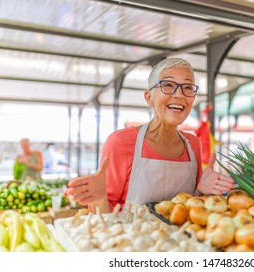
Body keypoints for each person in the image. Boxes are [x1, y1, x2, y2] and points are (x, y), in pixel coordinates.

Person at [66, 57, 235, 213]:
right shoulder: (121, 142)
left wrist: (201, 191)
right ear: (149, 98)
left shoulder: (193, 144)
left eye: (188, 87)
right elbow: (102, 220)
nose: (179, 94)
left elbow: (191, 208)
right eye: (168, 85)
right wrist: (100, 198)